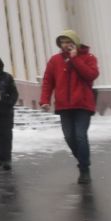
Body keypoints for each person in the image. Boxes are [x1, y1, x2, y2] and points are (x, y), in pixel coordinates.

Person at [40, 30, 101, 181]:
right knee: (69, 137)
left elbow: (91, 75)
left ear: (75, 43)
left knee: (80, 136)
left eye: (68, 42)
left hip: (83, 104)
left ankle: (84, 169)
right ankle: (82, 161)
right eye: (63, 42)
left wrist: (75, 59)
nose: (65, 45)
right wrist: (44, 100)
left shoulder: (88, 57)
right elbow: (48, 81)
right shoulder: (55, 60)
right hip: (64, 105)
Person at [0, 52, 18, 172]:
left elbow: (14, 93)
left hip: (5, 111)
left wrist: (7, 102)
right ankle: (1, 156)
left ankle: (7, 159)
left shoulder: (7, 77)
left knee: (6, 135)